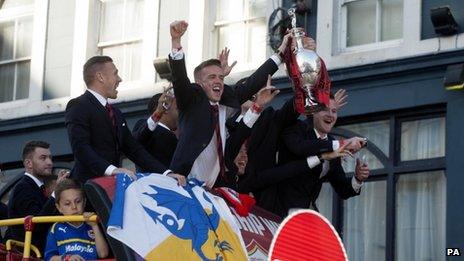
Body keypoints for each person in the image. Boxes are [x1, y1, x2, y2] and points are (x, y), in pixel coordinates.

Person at [168, 20, 281, 188]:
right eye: (212, 77)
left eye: (221, 77)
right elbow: (180, 80)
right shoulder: (192, 102)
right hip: (186, 186)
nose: (219, 81)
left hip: (214, 190)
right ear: (199, 84)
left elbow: (253, 82)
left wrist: (281, 55)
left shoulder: (223, 105)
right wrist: (176, 41)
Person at [65, 56, 184, 184]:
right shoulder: (78, 105)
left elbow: (134, 149)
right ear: (100, 77)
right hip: (84, 190)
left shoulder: (116, 113)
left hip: (111, 189)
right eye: (115, 73)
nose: (119, 79)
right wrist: (113, 170)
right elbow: (81, 149)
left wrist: (166, 173)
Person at [266, 95, 370, 217]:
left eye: (334, 111)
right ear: (313, 112)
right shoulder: (296, 128)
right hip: (277, 213)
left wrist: (358, 178)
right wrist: (343, 143)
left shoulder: (332, 143)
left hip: (305, 217)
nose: (330, 115)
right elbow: (301, 148)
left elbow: (343, 189)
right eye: (324, 109)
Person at [7, 141, 69, 252]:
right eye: (43, 158)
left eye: (50, 158)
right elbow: (37, 225)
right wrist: (56, 192)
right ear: (28, 163)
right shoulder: (23, 188)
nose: (49, 162)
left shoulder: (36, 187)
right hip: (30, 254)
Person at [44, 179, 109, 261]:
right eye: (67, 204)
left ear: (84, 202)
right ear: (59, 207)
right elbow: (49, 258)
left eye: (78, 201)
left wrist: (95, 226)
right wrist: (66, 258)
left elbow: (103, 254)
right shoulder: (56, 228)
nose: (74, 207)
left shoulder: (92, 224)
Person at [132, 88, 178, 169]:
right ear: (165, 107)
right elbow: (137, 140)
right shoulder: (144, 126)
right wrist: (158, 113)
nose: (180, 113)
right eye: (177, 108)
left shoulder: (174, 136)